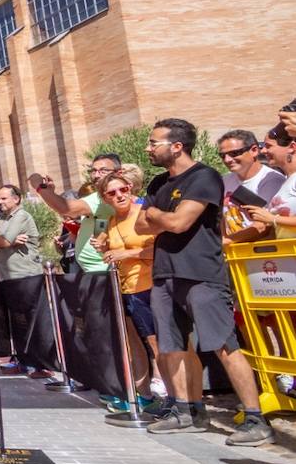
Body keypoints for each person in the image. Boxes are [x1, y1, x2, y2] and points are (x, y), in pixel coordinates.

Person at [136, 118, 273, 445]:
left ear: (177, 146)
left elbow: (180, 223)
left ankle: (256, 418)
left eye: (154, 143)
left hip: (201, 274)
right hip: (164, 273)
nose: (148, 148)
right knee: (171, 347)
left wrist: (159, 217)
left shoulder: (204, 177)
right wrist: (159, 218)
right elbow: (141, 226)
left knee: (223, 344)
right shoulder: (157, 183)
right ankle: (188, 410)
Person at [31, 154, 129, 400]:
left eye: (102, 170)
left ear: (118, 172)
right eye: (93, 170)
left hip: (103, 274)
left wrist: (40, 188)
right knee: (101, 333)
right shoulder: (100, 200)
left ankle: (122, 390)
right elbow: (91, 224)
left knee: (109, 336)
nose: (96, 174)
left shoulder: (103, 198)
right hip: (94, 273)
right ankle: (112, 384)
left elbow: (66, 208)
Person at [89, 167, 164, 408]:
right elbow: (112, 253)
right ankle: (143, 393)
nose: (119, 195)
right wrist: (103, 249)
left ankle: (173, 396)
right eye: (112, 193)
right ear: (105, 198)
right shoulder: (108, 222)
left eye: (124, 189)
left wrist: (128, 253)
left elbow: (163, 250)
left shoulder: (145, 214)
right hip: (126, 287)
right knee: (135, 343)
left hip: (152, 285)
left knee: (158, 343)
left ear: (132, 188)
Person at [0, 184, 54, 378]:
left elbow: (2, 242)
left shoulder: (22, 216)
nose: (0, 202)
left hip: (25, 275)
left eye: (4, 198)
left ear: (17, 199)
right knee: (17, 323)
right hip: (6, 276)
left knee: (33, 321)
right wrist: (3, 241)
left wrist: (1, 241)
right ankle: (24, 362)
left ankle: (42, 365)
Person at [245, 124, 296, 239]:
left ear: (292, 147)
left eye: (268, 146)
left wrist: (271, 218)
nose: (263, 151)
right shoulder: (287, 180)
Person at [219, 129, 283, 206]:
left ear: (254, 150)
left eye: (234, 153)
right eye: (222, 155)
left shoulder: (273, 181)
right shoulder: (225, 181)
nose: (227, 160)